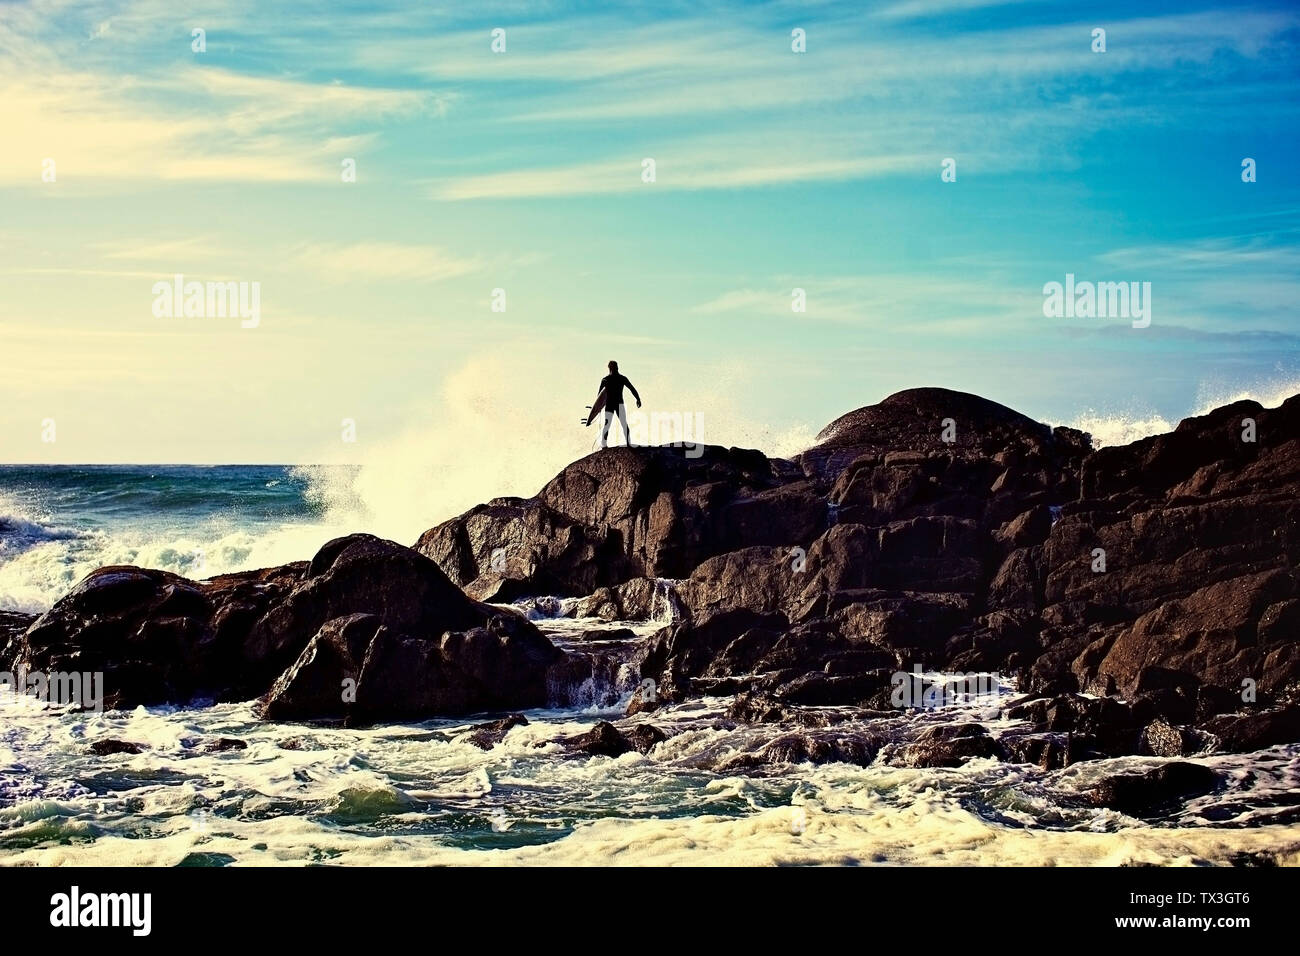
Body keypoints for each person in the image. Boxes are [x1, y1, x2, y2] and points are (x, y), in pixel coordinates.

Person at [597, 360, 641, 448]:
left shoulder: (615, 379)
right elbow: (599, 397)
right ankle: (604, 444)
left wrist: (638, 398)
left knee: (621, 423)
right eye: (614, 367)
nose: (615, 369)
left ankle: (628, 443)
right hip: (614, 404)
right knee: (609, 424)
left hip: (616, 404)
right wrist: (597, 408)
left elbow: (632, 388)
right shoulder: (607, 380)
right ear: (612, 368)